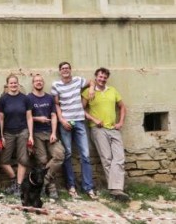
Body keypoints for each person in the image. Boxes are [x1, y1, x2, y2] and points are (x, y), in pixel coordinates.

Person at [82, 68, 130, 202]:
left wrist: (121, 122)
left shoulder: (112, 90)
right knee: (107, 158)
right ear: (96, 77)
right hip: (98, 129)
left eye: (104, 77)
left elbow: (122, 107)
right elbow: (80, 109)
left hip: (113, 128)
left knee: (119, 158)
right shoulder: (88, 92)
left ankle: (116, 188)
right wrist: (93, 119)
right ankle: (116, 190)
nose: (102, 79)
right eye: (100, 77)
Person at [51, 62, 97, 199]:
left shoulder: (78, 80)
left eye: (67, 68)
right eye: (62, 68)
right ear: (60, 71)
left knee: (85, 155)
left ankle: (88, 187)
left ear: (70, 70)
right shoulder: (56, 85)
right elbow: (56, 104)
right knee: (68, 153)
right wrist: (61, 120)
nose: (65, 70)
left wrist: (91, 88)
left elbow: (91, 81)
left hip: (79, 121)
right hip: (65, 122)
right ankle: (71, 186)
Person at [28, 74, 65, 200]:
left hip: (50, 133)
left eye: (40, 81)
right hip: (36, 133)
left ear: (43, 83)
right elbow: (27, 117)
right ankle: (51, 188)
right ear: (33, 83)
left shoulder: (49, 98)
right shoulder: (29, 98)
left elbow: (54, 115)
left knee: (59, 155)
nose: (38, 82)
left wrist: (54, 133)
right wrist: (38, 119)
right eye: (36, 81)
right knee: (42, 161)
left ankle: (45, 180)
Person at [0, 74, 34, 197]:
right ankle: (14, 179)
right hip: (8, 132)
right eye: (11, 83)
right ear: (7, 85)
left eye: (15, 83)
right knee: (3, 160)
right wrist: (1, 136)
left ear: (18, 84)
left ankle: (18, 186)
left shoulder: (25, 99)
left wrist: (31, 135)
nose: (13, 85)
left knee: (23, 159)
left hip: (23, 131)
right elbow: (1, 119)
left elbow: (29, 117)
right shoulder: (3, 100)